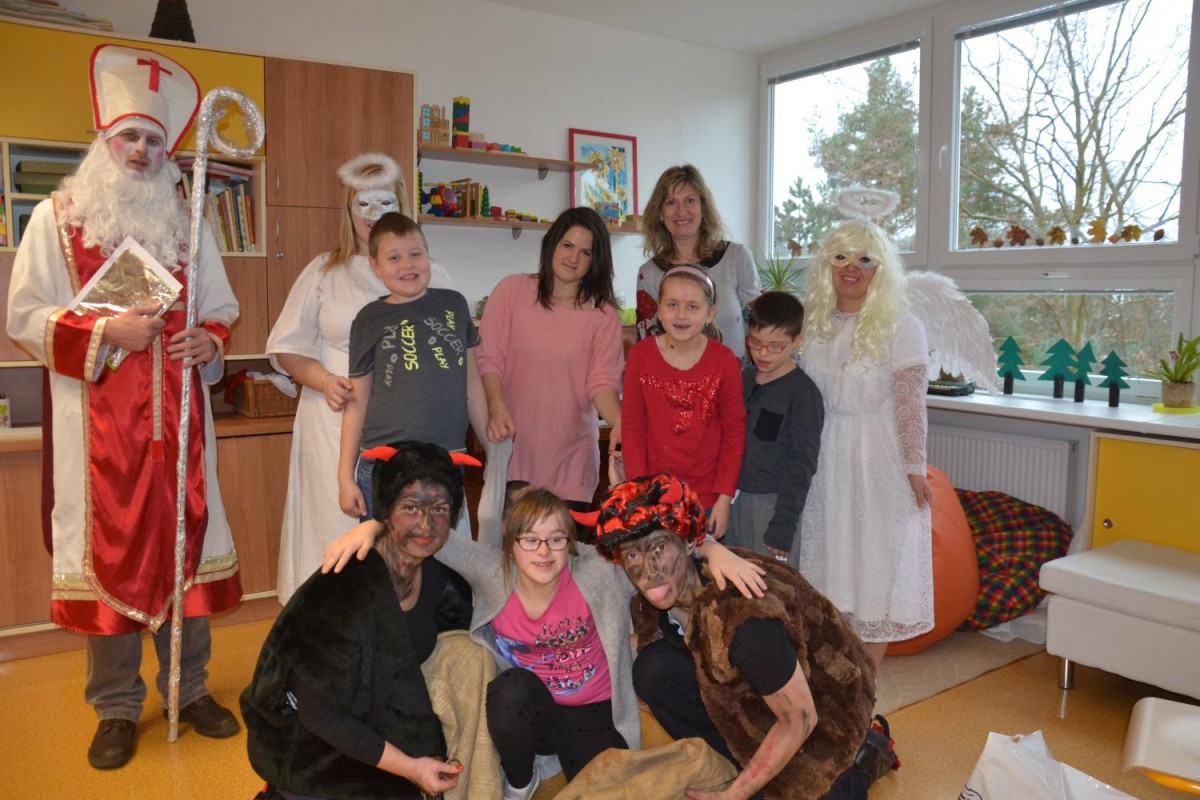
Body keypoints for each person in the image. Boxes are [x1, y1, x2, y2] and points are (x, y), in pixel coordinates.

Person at [5, 44, 242, 769]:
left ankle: (188, 690)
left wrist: (209, 340)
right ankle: (114, 707)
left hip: (179, 434)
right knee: (108, 560)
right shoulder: (55, 219)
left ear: (167, 153)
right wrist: (105, 332)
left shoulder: (189, 222)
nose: (140, 151)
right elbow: (24, 317)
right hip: (97, 439)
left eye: (153, 140)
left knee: (183, 551)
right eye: (128, 136)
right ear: (103, 142)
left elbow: (222, 307)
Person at [323, 486, 767, 800]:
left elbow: (655, 541)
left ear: (570, 543)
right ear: (511, 544)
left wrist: (711, 549)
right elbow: (434, 534)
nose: (543, 552)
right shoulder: (492, 570)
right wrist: (373, 526)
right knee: (508, 691)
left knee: (601, 787)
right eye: (531, 540)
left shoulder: (597, 570)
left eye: (556, 540)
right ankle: (521, 781)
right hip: (532, 707)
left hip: (594, 710)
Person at [594, 474, 897, 800]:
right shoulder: (657, 601)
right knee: (652, 669)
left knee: (814, 787)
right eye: (633, 555)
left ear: (689, 543)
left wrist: (733, 796)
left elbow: (800, 718)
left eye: (660, 547)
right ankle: (743, 766)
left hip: (824, 716)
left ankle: (865, 756)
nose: (649, 570)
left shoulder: (742, 616)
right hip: (763, 697)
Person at [243, 441, 499, 800]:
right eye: (410, 507)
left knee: (473, 654)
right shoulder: (341, 588)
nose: (426, 524)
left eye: (439, 508)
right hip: (317, 751)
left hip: (383, 729)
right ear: (385, 512)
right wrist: (411, 767)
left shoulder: (438, 577)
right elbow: (319, 716)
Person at [266, 153, 457, 604]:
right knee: (334, 529)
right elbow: (286, 347)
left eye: (384, 203)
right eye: (362, 205)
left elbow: (457, 354)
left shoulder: (434, 274)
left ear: (401, 206)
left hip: (412, 428)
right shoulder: (324, 271)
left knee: (410, 532)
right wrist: (322, 379)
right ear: (347, 210)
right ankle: (325, 621)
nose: (373, 215)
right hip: (333, 423)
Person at [797, 218, 934, 669]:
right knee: (834, 564)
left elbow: (911, 404)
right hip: (824, 458)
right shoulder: (812, 324)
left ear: (881, 269)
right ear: (826, 265)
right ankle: (837, 675)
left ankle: (866, 682)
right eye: (841, 257)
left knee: (876, 568)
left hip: (879, 458)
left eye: (864, 259)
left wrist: (915, 468)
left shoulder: (902, 326)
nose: (851, 268)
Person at [337, 212, 487, 520]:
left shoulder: (455, 304)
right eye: (394, 258)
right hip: (384, 466)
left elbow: (472, 382)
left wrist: (491, 449)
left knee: (441, 550)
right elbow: (357, 400)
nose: (407, 265)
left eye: (416, 254)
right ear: (376, 267)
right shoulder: (369, 319)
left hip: (447, 463)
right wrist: (344, 477)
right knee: (385, 551)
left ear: (427, 256)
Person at [477, 206, 624, 510]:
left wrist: (621, 423)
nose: (573, 258)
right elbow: (489, 359)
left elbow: (602, 382)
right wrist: (495, 405)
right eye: (567, 245)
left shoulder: (604, 315)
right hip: (513, 454)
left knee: (565, 542)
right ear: (552, 244)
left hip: (573, 460)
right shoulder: (512, 290)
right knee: (509, 541)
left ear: (595, 260)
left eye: (585, 252)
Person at [621, 265, 746, 539]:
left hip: (708, 497)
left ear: (710, 314)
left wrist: (725, 498)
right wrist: (639, 493)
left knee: (703, 565)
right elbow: (632, 429)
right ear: (659, 309)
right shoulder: (641, 356)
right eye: (672, 305)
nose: (681, 315)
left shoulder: (725, 361)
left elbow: (734, 433)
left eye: (692, 307)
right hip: (654, 495)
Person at [728, 292, 823, 569]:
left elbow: (802, 463)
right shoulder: (744, 378)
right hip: (734, 500)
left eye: (775, 346)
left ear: (796, 341)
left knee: (772, 585)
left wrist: (784, 523)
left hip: (773, 506)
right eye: (755, 342)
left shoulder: (804, 393)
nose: (762, 353)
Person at [635, 165, 760, 359]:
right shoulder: (649, 274)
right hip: (672, 377)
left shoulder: (737, 258)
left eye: (690, 201)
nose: (681, 211)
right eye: (671, 202)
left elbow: (760, 327)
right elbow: (647, 346)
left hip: (737, 376)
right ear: (659, 213)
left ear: (703, 206)